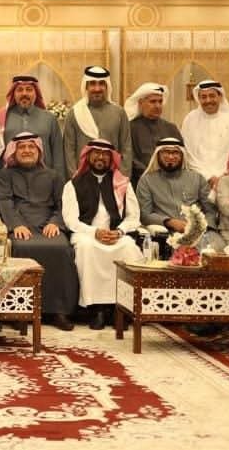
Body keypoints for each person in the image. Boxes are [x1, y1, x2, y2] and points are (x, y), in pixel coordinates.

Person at [0, 131, 77, 331]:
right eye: (22, 147)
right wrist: (15, 225)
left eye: (31, 147)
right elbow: (5, 201)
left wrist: (56, 222)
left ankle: (58, 311)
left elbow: (62, 204)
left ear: (39, 151)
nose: (27, 151)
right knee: (19, 248)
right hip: (20, 225)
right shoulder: (6, 175)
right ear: (14, 152)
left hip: (48, 225)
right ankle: (19, 310)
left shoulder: (54, 176)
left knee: (61, 248)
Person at [61, 139, 143, 330]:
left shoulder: (123, 183)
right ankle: (96, 309)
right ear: (88, 156)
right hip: (86, 234)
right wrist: (94, 232)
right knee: (87, 249)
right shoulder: (73, 184)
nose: (100, 157)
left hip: (116, 234)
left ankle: (120, 309)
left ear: (111, 158)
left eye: (105, 154)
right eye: (96, 153)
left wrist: (119, 231)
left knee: (129, 248)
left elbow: (134, 216)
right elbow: (71, 220)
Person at [136, 137, 220, 249]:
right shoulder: (146, 181)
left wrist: (202, 227)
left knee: (216, 247)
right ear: (158, 155)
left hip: (200, 233)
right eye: (166, 152)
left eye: (175, 152)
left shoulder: (197, 178)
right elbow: (145, 214)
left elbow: (211, 210)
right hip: (166, 232)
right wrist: (169, 222)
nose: (171, 157)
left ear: (182, 155)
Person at [0, 75, 64, 177]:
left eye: (29, 89)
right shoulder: (2, 118)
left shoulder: (49, 118)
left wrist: (59, 180)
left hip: (45, 179)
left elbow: (58, 153)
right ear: (13, 93)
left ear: (36, 93)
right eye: (20, 90)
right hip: (10, 180)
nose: (24, 93)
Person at [63, 66, 132, 180]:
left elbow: (126, 148)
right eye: (92, 84)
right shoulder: (74, 113)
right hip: (82, 178)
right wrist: (75, 180)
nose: (97, 88)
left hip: (113, 179)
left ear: (107, 86)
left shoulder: (119, 113)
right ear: (86, 86)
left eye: (101, 84)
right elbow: (69, 151)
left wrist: (123, 178)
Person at [181, 80, 229, 186]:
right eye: (203, 97)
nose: (208, 100)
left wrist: (222, 176)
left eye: (212, 96)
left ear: (220, 97)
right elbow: (188, 153)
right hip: (196, 179)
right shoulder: (190, 119)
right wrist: (207, 177)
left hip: (228, 179)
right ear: (199, 99)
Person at [125, 83, 182, 186]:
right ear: (140, 103)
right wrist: (151, 177)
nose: (157, 106)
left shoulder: (171, 128)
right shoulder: (130, 128)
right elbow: (130, 158)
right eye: (153, 101)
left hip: (171, 182)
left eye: (160, 101)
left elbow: (181, 155)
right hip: (140, 182)